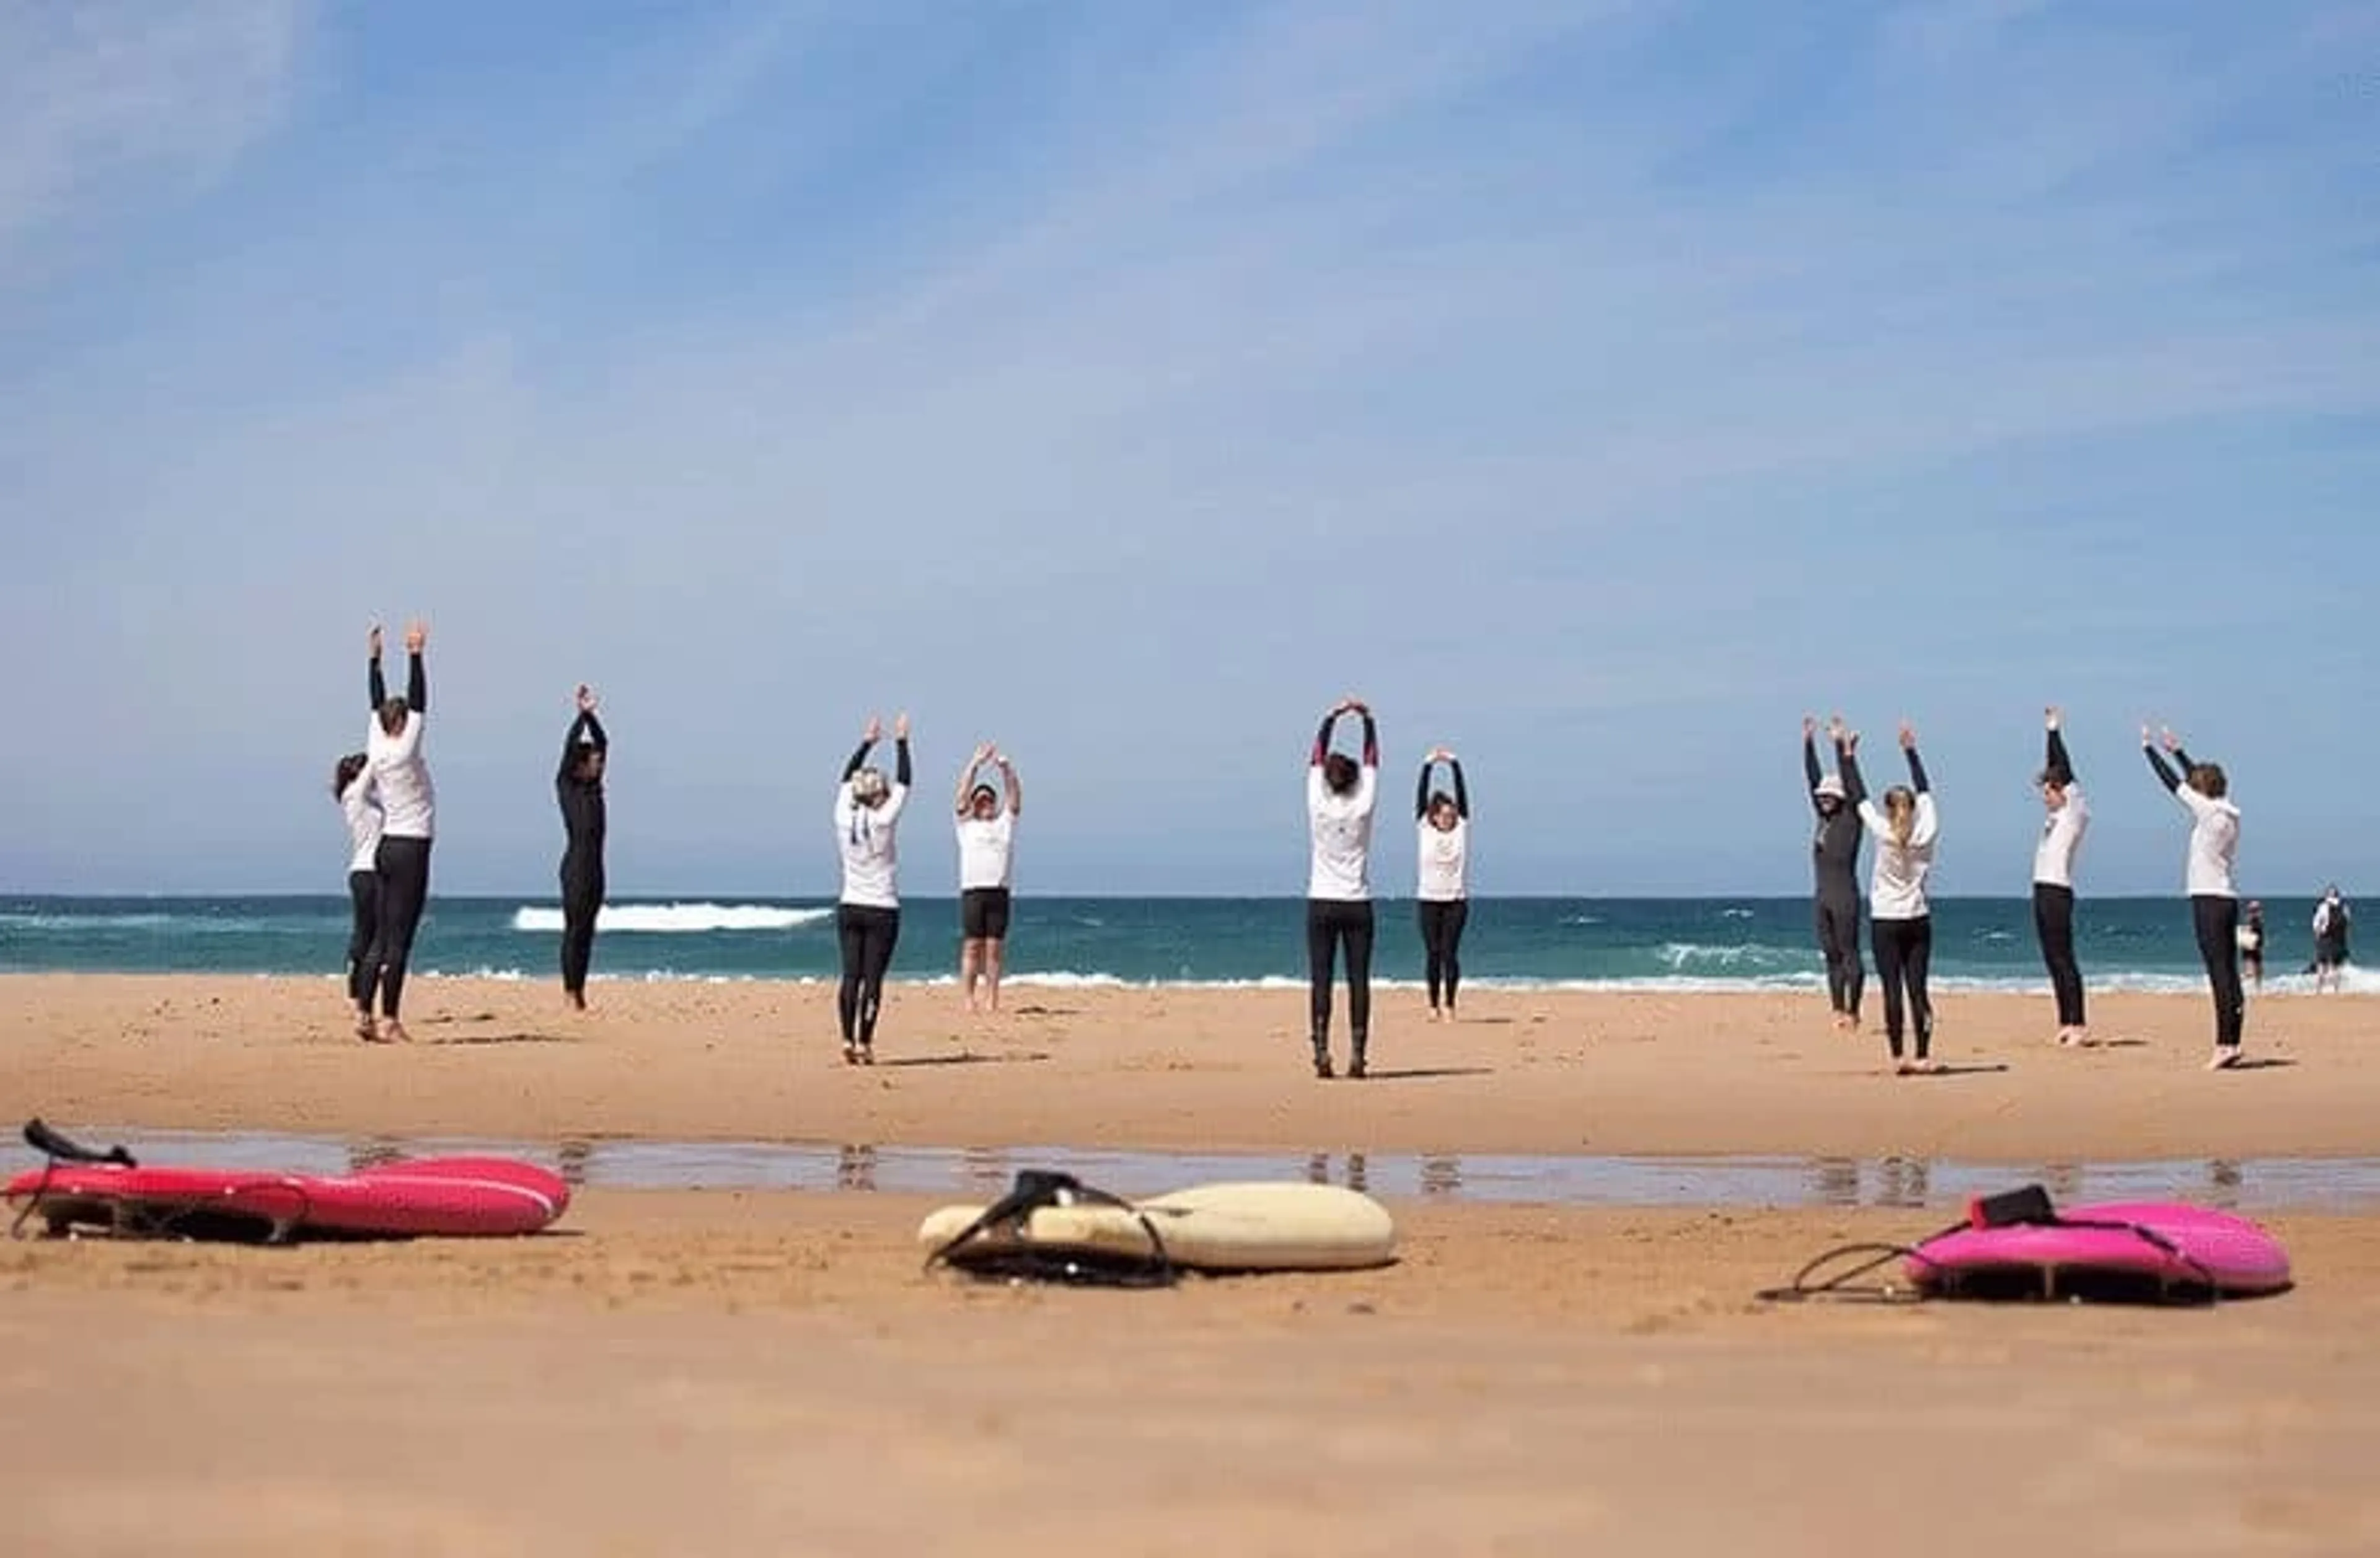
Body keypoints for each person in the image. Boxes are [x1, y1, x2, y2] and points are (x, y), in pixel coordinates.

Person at [2144, 725, 2244, 1069]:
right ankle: (2232, 1042)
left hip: (2208, 899)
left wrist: (2149, 750)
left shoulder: (2209, 813)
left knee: (2219, 973)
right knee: (2229, 972)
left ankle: (2224, 1045)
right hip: (2227, 898)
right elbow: (2198, 782)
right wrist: (2178, 751)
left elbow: (2174, 784)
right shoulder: (2228, 812)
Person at [359, 621, 433, 1044]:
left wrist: (374, 661)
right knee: (400, 939)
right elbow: (421, 702)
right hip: (411, 846)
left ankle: (363, 1013)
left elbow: (374, 704)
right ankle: (389, 1019)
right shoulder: (406, 747)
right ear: (402, 722)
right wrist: (416, 654)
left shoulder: (377, 746)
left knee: (380, 936)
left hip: (386, 847)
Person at [1853, 721, 1939, 1075]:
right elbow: (1925, 788)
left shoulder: (1884, 831)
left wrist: (1847, 754)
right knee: (1918, 989)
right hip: (1917, 918)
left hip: (1886, 920)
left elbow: (1859, 798)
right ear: (1913, 808)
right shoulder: (1928, 829)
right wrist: (1910, 750)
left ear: (1889, 809)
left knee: (1892, 988)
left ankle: (1897, 1056)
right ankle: (1923, 1055)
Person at [1305, 697, 1379, 1079]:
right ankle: (1358, 1055)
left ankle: (1321, 1050)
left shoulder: (1318, 804)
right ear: (1354, 781)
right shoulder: (1362, 807)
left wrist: (1330, 716)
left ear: (1328, 780)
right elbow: (1373, 761)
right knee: (1358, 981)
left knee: (1321, 979)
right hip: (1356, 903)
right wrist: (1367, 720)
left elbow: (1315, 757)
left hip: (1321, 901)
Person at [832, 713, 910, 1063]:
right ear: (879, 795)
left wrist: (867, 743)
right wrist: (902, 742)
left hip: (850, 905)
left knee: (851, 975)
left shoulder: (842, 816)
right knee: (873, 978)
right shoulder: (884, 819)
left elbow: (846, 777)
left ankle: (847, 1039)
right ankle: (865, 1042)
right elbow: (906, 782)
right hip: (882, 908)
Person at [1803, 714, 1867, 1029]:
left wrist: (1843, 750)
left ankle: (1854, 1011)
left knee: (1849, 953)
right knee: (1831, 955)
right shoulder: (1824, 820)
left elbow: (1855, 789)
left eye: (1829, 795)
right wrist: (1808, 744)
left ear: (1840, 798)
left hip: (1845, 898)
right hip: (1823, 897)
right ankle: (1838, 1009)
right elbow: (1812, 779)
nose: (1824, 799)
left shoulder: (1851, 819)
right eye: (1822, 797)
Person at [2032, 706, 2091, 1046]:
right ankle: (2065, 1021)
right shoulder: (2054, 818)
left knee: (2065, 957)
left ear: (2062, 792)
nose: (2045, 796)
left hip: (2057, 891)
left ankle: (2079, 1023)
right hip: (2041, 889)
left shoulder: (2074, 811)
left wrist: (2052, 731)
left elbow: (2063, 770)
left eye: (2048, 791)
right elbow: (2056, 773)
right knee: (2051, 958)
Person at [953, 743, 1022, 1014]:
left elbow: (1014, 797)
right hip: (973, 892)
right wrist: (975, 764)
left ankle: (992, 998)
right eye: (980, 801)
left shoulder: (1004, 824)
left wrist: (1005, 768)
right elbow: (961, 798)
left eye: (989, 800)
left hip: (998, 892)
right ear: (974, 805)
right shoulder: (966, 827)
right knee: (972, 946)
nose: (985, 804)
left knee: (994, 949)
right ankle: (968, 998)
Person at [556, 685, 609, 1011]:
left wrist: (593, 716)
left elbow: (603, 742)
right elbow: (568, 750)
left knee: (589, 931)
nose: (600, 765)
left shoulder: (595, 790)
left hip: (596, 867)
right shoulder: (568, 786)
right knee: (575, 930)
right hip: (575, 866)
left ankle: (581, 990)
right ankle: (569, 990)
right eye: (594, 761)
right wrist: (580, 718)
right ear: (580, 765)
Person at [1415, 746, 1470, 1021]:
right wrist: (1428, 764)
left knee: (1450, 953)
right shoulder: (1425, 829)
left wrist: (1454, 764)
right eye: (1444, 815)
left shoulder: (1461, 829)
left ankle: (1450, 1004)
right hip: (1428, 900)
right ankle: (1432, 1004)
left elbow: (1463, 796)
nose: (1449, 819)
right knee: (1433, 953)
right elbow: (1420, 797)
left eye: (1452, 815)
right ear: (1434, 816)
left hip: (1455, 901)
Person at [333, 752, 381, 1039]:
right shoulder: (354, 796)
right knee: (367, 936)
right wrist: (384, 749)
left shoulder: (372, 801)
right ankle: (358, 996)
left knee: (373, 937)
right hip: (366, 872)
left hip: (379, 872)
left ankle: (360, 994)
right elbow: (372, 769)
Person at [2313, 886, 2351, 992]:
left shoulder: (2323, 906)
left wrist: (2317, 937)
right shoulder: (2344, 906)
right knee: (2337, 966)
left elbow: (2316, 925)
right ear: (2337, 894)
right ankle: (2336, 990)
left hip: (2325, 938)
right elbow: (2348, 924)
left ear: (2326, 895)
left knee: (2322, 965)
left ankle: (2319, 990)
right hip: (2339, 940)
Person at [2239, 900, 2266, 992]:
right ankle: (2235, 982)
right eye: (2255, 910)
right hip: (2250, 949)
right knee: (2250, 973)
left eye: (2258, 909)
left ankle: (2259, 990)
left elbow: (2259, 935)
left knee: (2259, 971)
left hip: (2256, 949)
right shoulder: (2251, 921)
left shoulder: (2258, 920)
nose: (2259, 911)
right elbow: (2246, 932)